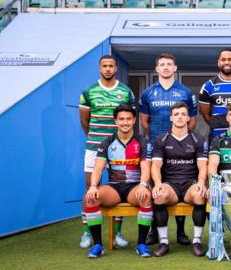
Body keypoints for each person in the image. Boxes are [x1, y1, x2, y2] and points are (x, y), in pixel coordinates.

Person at [139, 53, 197, 246]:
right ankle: (154, 232)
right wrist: (157, 138)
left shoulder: (185, 92)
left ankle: (181, 232)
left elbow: (193, 120)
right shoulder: (148, 93)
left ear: (175, 68)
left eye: (169, 64)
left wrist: (180, 140)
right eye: (162, 64)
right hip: (155, 146)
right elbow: (144, 122)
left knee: (181, 181)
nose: (165, 67)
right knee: (156, 186)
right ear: (156, 69)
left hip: (180, 145)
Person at [79, 55, 135, 249]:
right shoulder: (89, 91)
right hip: (94, 146)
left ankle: (117, 233)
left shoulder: (125, 91)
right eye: (105, 66)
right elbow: (84, 121)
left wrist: (113, 142)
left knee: (120, 186)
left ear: (116, 68)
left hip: (118, 148)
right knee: (89, 188)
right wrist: (98, 140)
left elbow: (128, 120)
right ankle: (87, 233)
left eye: (111, 66)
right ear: (99, 68)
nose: (108, 69)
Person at [83, 105, 153, 258]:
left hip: (134, 187)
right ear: (115, 121)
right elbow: (98, 169)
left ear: (134, 120)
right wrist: (93, 186)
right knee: (90, 198)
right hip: (114, 188)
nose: (125, 122)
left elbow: (146, 167)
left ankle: (141, 244)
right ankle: (98, 246)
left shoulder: (142, 141)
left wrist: (143, 185)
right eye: (121, 119)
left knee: (146, 196)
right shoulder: (107, 142)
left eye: (128, 119)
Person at [150, 102, 208, 257]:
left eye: (183, 114)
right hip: (171, 184)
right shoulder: (161, 139)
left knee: (200, 195)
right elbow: (155, 165)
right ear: (171, 118)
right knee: (159, 196)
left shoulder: (198, 139)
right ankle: (164, 242)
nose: (180, 117)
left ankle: (196, 241)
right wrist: (157, 184)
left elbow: (203, 166)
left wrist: (201, 183)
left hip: (190, 183)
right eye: (176, 114)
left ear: (188, 117)